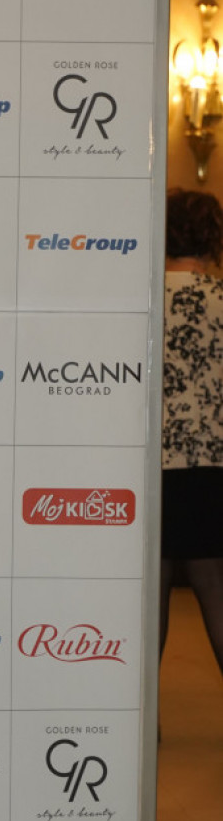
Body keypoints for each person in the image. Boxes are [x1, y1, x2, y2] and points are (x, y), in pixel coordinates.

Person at [161, 187, 223, 677]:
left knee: (150, 591)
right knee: (215, 584)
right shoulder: (221, 299)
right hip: (213, 464)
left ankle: (141, 715)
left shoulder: (145, 300)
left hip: (152, 464)